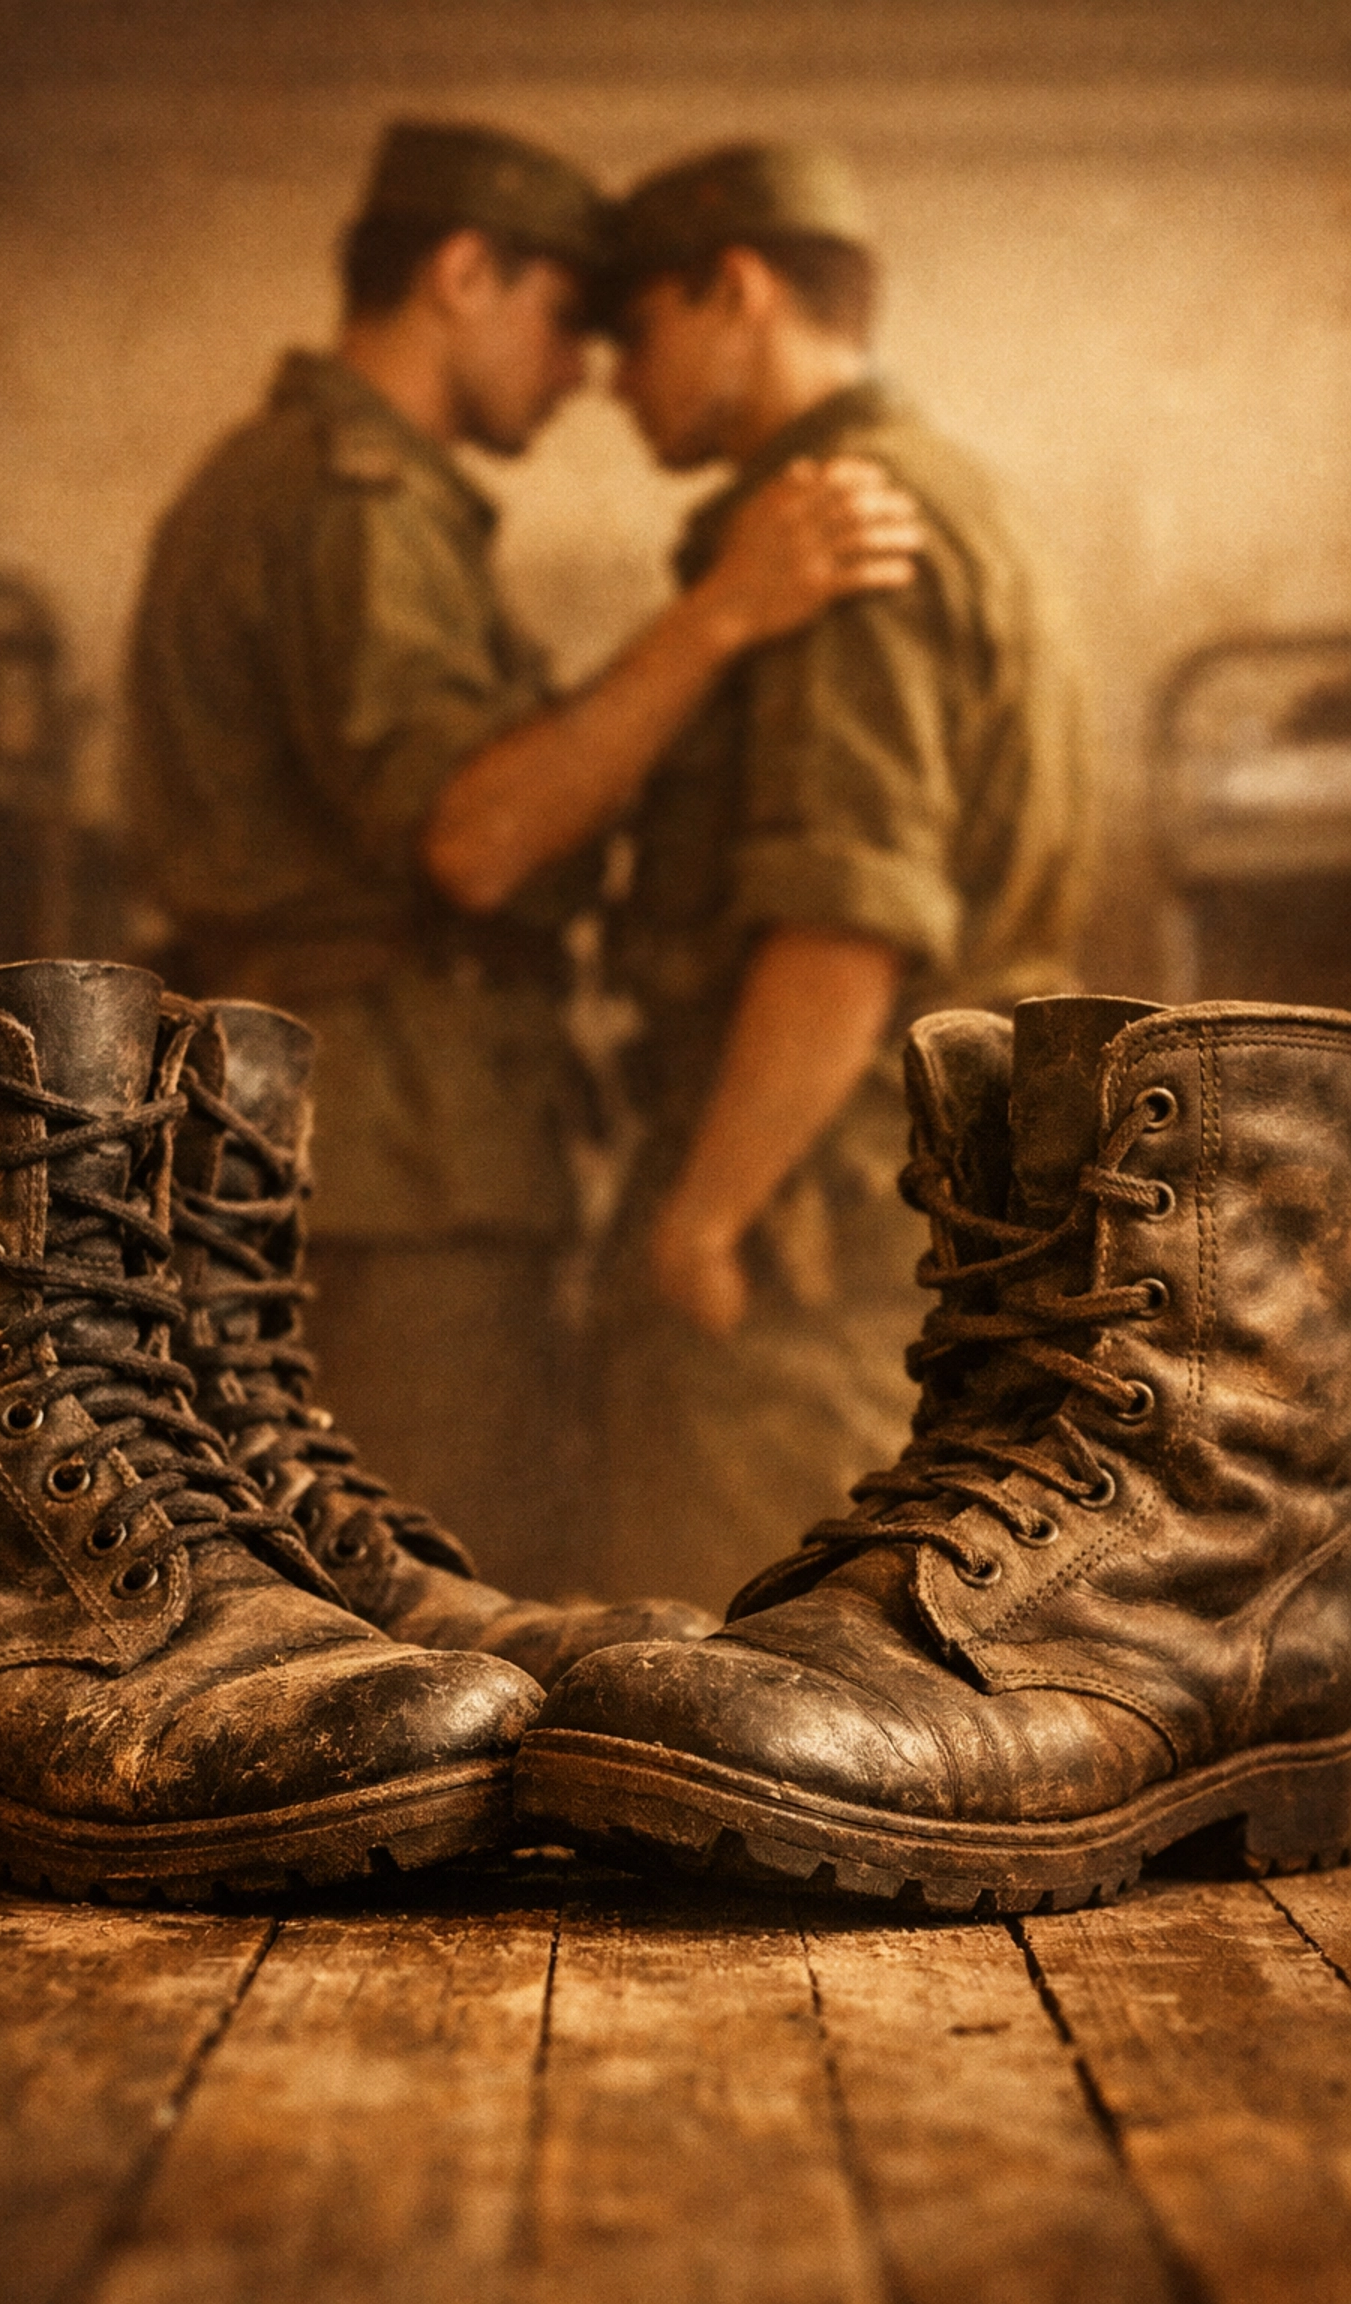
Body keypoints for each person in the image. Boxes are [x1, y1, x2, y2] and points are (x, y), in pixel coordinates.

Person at [125, 121, 922, 1597]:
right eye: (565, 322)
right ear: (460, 271)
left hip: (389, 1140)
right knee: (417, 1614)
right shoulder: (349, 500)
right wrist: (722, 613)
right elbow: (479, 841)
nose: (587, 376)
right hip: (394, 1158)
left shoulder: (355, 494)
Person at [425, 141, 1095, 1609]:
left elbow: (838, 922)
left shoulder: (833, 532)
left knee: (743, 1716)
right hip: (906, 1210)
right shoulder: (942, 496)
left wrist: (704, 1218)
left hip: (802, 1226)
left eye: (636, 333)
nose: (610, 379)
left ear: (733, 290)